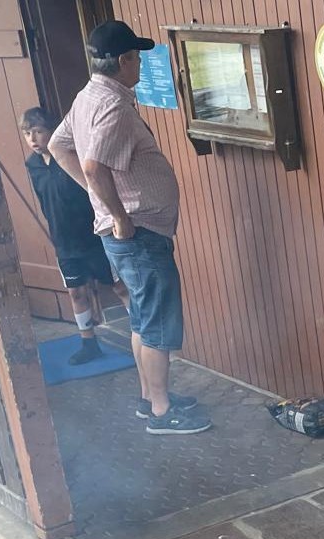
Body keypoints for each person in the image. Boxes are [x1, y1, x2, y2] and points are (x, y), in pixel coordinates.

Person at [49, 19, 209, 435]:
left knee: (142, 318)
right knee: (156, 323)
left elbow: (57, 145)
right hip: (137, 232)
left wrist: (98, 198)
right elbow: (90, 164)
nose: (139, 64)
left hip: (130, 233)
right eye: (136, 57)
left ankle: (150, 399)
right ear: (123, 60)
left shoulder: (88, 96)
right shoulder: (114, 106)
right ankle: (161, 411)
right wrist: (117, 213)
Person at [19, 107, 130, 366]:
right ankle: (88, 342)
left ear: (52, 131)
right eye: (27, 133)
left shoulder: (70, 157)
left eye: (39, 132)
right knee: (75, 292)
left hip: (92, 235)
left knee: (118, 285)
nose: (33, 139)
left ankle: (141, 336)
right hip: (64, 241)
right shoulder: (32, 165)